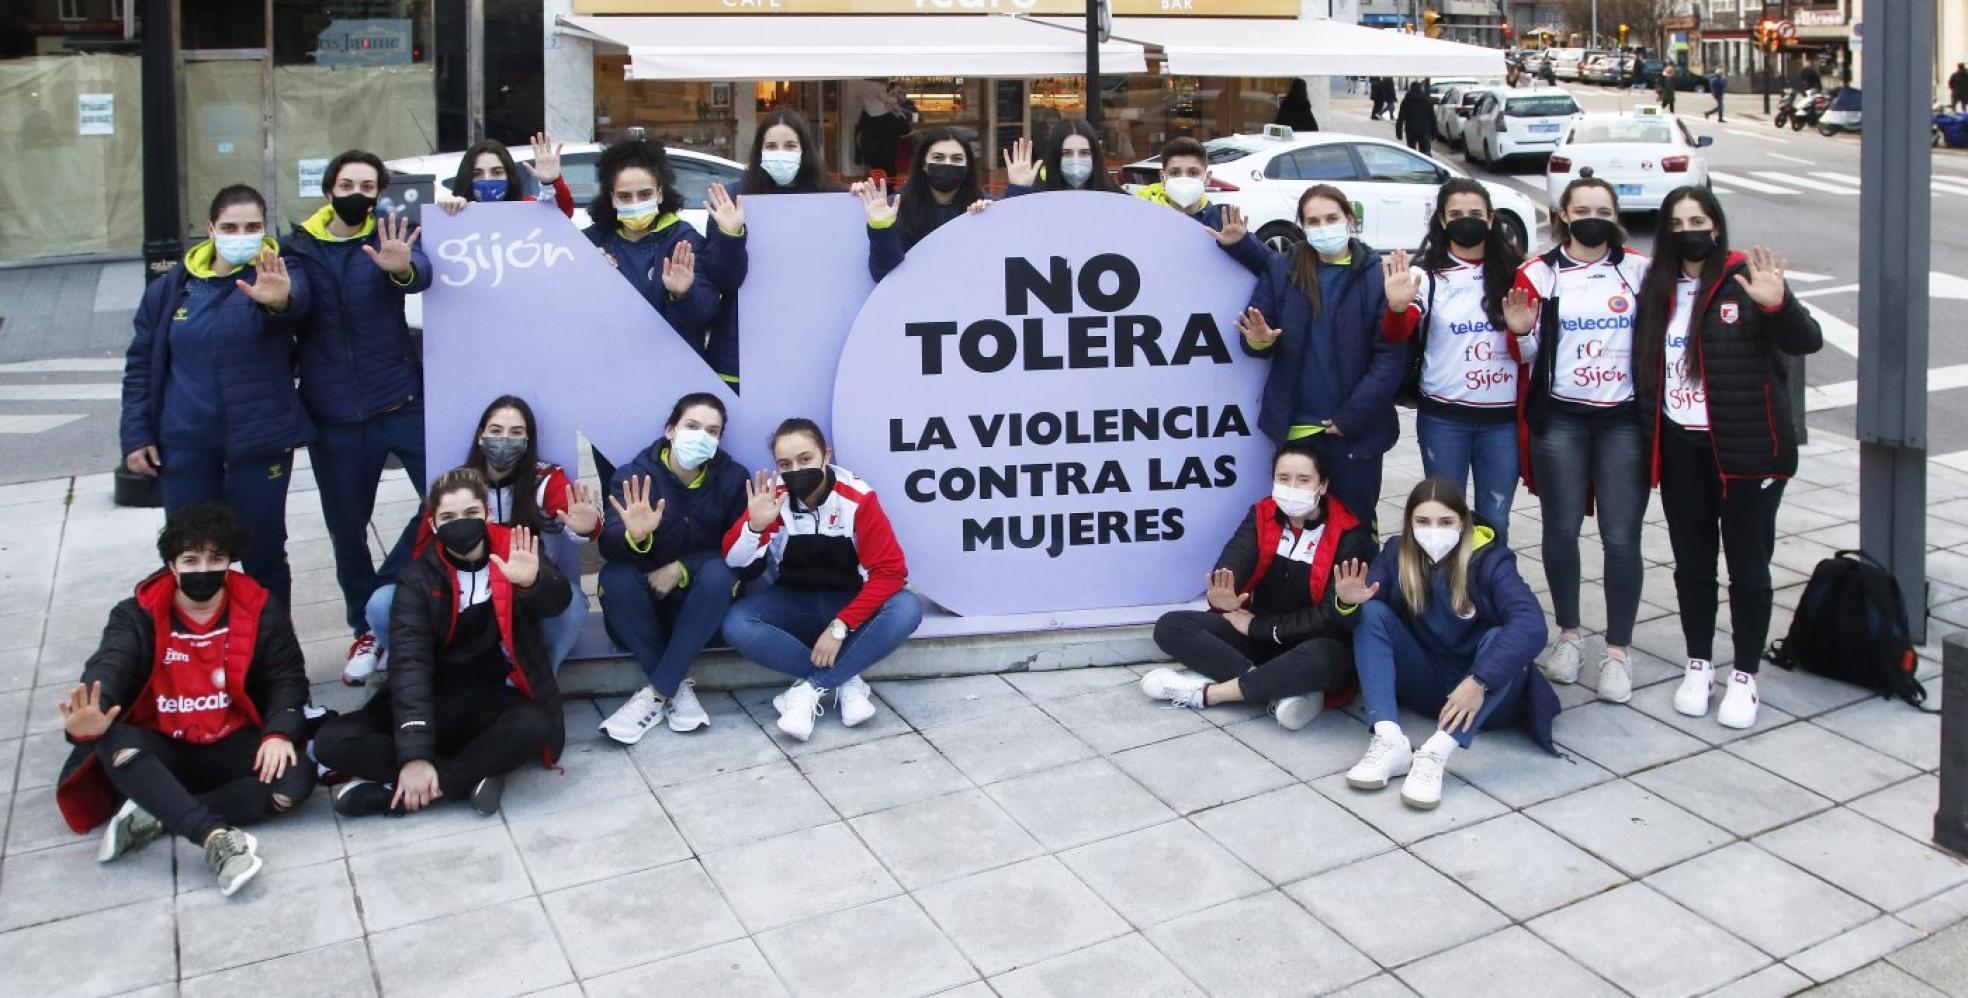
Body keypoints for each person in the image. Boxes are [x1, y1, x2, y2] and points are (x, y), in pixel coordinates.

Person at [1632, 187, 1821, 729]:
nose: (1688, 228)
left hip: (1746, 453)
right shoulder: (1658, 288)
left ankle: (1744, 675)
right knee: (1693, 565)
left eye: (1698, 219)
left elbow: (1806, 340)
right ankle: (1698, 664)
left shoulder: (1743, 276)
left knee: (1748, 569)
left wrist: (1777, 303)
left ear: (1716, 226)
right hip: (1681, 449)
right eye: (1676, 221)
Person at [53, 503, 312, 897]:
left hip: (230, 739)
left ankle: (158, 812)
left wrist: (278, 732)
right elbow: (111, 664)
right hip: (160, 746)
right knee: (114, 740)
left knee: (296, 778)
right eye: (190, 560)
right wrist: (93, 713)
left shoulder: (260, 608)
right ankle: (213, 838)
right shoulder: (135, 615)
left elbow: (287, 678)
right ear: (171, 566)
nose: (202, 569)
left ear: (230, 563)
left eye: (216, 558)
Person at [315, 468, 570, 819]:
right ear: (434, 525)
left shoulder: (515, 552)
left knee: (533, 725)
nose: (460, 523)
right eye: (448, 517)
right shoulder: (416, 579)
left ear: (487, 515)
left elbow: (558, 603)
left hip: (487, 695)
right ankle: (471, 775)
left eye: (470, 514)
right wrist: (414, 755)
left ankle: (399, 795)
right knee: (331, 741)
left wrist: (532, 583)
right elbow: (409, 666)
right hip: (429, 696)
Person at [120, 184, 312, 608]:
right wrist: (136, 435)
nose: (241, 233)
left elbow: (295, 304)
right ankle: (199, 650)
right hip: (186, 445)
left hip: (258, 445)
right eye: (230, 226)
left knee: (263, 554)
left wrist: (278, 302)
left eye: (253, 226)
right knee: (192, 555)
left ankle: (273, 650)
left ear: (266, 229)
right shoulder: (171, 290)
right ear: (210, 228)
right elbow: (140, 366)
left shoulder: (280, 271)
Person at [283, 149, 433, 685]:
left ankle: (383, 596)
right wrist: (280, 301)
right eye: (348, 183)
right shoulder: (298, 246)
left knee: (446, 498)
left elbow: (422, 273)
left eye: (368, 186)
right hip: (335, 416)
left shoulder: (392, 231)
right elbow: (292, 301)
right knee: (347, 529)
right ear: (328, 189)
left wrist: (404, 268)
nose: (357, 193)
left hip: (400, 399)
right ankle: (364, 628)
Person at [1509, 176, 1651, 703]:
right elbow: (1526, 360)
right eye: (1582, 208)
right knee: (1560, 530)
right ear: (1563, 215)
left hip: (1622, 423)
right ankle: (1569, 636)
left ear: (1616, 217)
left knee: (1621, 537)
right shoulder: (1538, 275)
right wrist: (1522, 332)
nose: (1593, 216)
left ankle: (1618, 651)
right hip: (1562, 421)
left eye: (1604, 209)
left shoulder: (1640, 271)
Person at [348, 395, 602, 684]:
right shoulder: (457, 484)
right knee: (382, 603)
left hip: (521, 591)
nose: (504, 440)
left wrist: (586, 525)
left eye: (516, 432)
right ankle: (422, 677)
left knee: (573, 605)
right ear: (481, 437)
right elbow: (422, 554)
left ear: (529, 440)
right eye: (496, 431)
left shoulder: (544, 477)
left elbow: (571, 512)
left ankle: (534, 682)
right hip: (461, 595)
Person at [1336, 479, 1555, 809]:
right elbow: (1360, 622)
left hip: (1485, 698)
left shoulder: (1492, 560)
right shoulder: (1397, 552)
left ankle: (1436, 752)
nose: (1433, 531)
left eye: (1445, 522)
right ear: (1409, 523)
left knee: (1503, 639)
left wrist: (1480, 680)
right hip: (1428, 683)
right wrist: (1347, 603)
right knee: (1370, 612)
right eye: (1422, 522)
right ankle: (1388, 738)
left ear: (1463, 522)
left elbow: (1532, 625)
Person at [1143, 439, 1377, 730]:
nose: (1292, 487)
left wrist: (1260, 627)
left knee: (1323, 658)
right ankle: (1275, 688)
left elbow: (1330, 619)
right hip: (1257, 638)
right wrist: (1225, 598)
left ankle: (1210, 694)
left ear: (1323, 485)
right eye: (1284, 478)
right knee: (1171, 626)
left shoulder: (1350, 536)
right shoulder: (1262, 515)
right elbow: (1231, 566)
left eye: (1304, 480)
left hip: (1312, 644)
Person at [721, 418, 922, 741]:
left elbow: (890, 572)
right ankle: (844, 681)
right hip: (793, 602)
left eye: (805, 459)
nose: (796, 470)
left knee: (906, 608)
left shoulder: (857, 497)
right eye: (785, 464)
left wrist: (840, 625)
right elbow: (734, 559)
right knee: (737, 623)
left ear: (825, 455)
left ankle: (808, 691)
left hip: (850, 603)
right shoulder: (775, 500)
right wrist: (756, 526)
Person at [1232, 185, 1405, 523]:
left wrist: (1350, 418)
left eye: (1331, 218)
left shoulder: (1377, 276)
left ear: (1349, 220)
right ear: (1302, 227)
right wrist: (1260, 340)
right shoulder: (1282, 269)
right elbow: (1253, 337)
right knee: (1300, 527)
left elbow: (1390, 357)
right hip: (1295, 429)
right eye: (1313, 221)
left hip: (1355, 432)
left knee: (1354, 527)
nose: (1323, 227)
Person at [1381, 179, 1533, 542]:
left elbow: (1531, 351)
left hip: (1503, 422)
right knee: (1445, 520)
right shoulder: (1425, 276)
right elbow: (1399, 332)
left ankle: (1488, 591)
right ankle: (1449, 594)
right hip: (1444, 419)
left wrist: (1522, 332)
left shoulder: (1519, 275)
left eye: (1476, 214)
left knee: (1495, 520)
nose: (1468, 221)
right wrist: (1397, 307)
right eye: (1457, 214)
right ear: (1442, 220)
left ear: (1492, 219)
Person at [596, 393, 749, 745]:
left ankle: (656, 693)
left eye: (712, 431)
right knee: (614, 576)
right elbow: (608, 542)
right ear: (670, 430)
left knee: (722, 572)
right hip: (642, 612)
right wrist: (636, 537)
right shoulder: (632, 476)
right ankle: (674, 687)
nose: (701, 436)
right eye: (692, 426)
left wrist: (682, 568)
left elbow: (744, 561)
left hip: (699, 614)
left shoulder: (732, 479)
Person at [585, 137, 726, 359]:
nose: (635, 203)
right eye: (624, 196)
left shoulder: (685, 240)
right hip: (611, 362)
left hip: (674, 367)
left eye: (644, 194)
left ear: (660, 193)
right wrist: (589, 279)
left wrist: (684, 293)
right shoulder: (592, 242)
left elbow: (706, 315)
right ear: (612, 198)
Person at [860, 127, 989, 281]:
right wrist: (882, 227)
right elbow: (882, 274)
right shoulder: (897, 206)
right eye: (938, 157)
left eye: (957, 159)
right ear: (923, 164)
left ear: (967, 167)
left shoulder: (984, 206)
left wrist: (987, 220)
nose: (947, 164)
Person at [432, 133, 574, 217]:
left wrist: (551, 182)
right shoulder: (457, 212)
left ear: (509, 175)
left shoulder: (527, 207)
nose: (487, 179)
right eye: (477, 173)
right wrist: (448, 209)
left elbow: (561, 215)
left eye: (497, 172)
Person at [1001, 118, 1126, 196]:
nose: (1076, 161)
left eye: (1084, 153)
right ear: (1055, 156)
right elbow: (1015, 227)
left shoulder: (1117, 198)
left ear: (1095, 156)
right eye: (1066, 153)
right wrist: (1019, 189)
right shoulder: (1038, 196)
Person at [1395, 81, 1437, 156]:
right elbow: (1432, 117)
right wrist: (1434, 132)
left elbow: (1401, 117)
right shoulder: (1426, 100)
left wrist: (1399, 132)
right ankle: (1426, 167)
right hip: (1424, 130)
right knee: (1425, 153)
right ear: (1420, 89)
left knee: (1412, 154)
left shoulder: (1406, 101)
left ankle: (1413, 166)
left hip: (1410, 130)